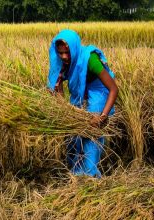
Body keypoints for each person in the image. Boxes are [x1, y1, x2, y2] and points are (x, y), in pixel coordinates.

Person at [47, 29, 118, 178]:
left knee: (91, 131)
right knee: (73, 133)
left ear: (74, 47)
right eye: (60, 53)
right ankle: (76, 173)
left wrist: (102, 116)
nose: (64, 57)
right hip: (80, 91)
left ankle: (89, 176)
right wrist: (65, 108)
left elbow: (113, 89)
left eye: (67, 52)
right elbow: (58, 90)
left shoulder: (89, 59)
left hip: (98, 90)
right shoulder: (62, 62)